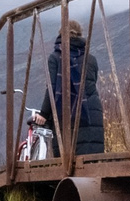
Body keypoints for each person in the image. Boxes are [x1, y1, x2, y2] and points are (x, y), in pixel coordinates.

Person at [40, 24, 105, 156]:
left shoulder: (56, 57)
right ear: (80, 35)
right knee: (92, 163)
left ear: (61, 35)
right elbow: (92, 83)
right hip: (92, 114)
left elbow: (52, 89)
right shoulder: (91, 59)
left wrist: (43, 114)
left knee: (69, 165)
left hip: (68, 115)